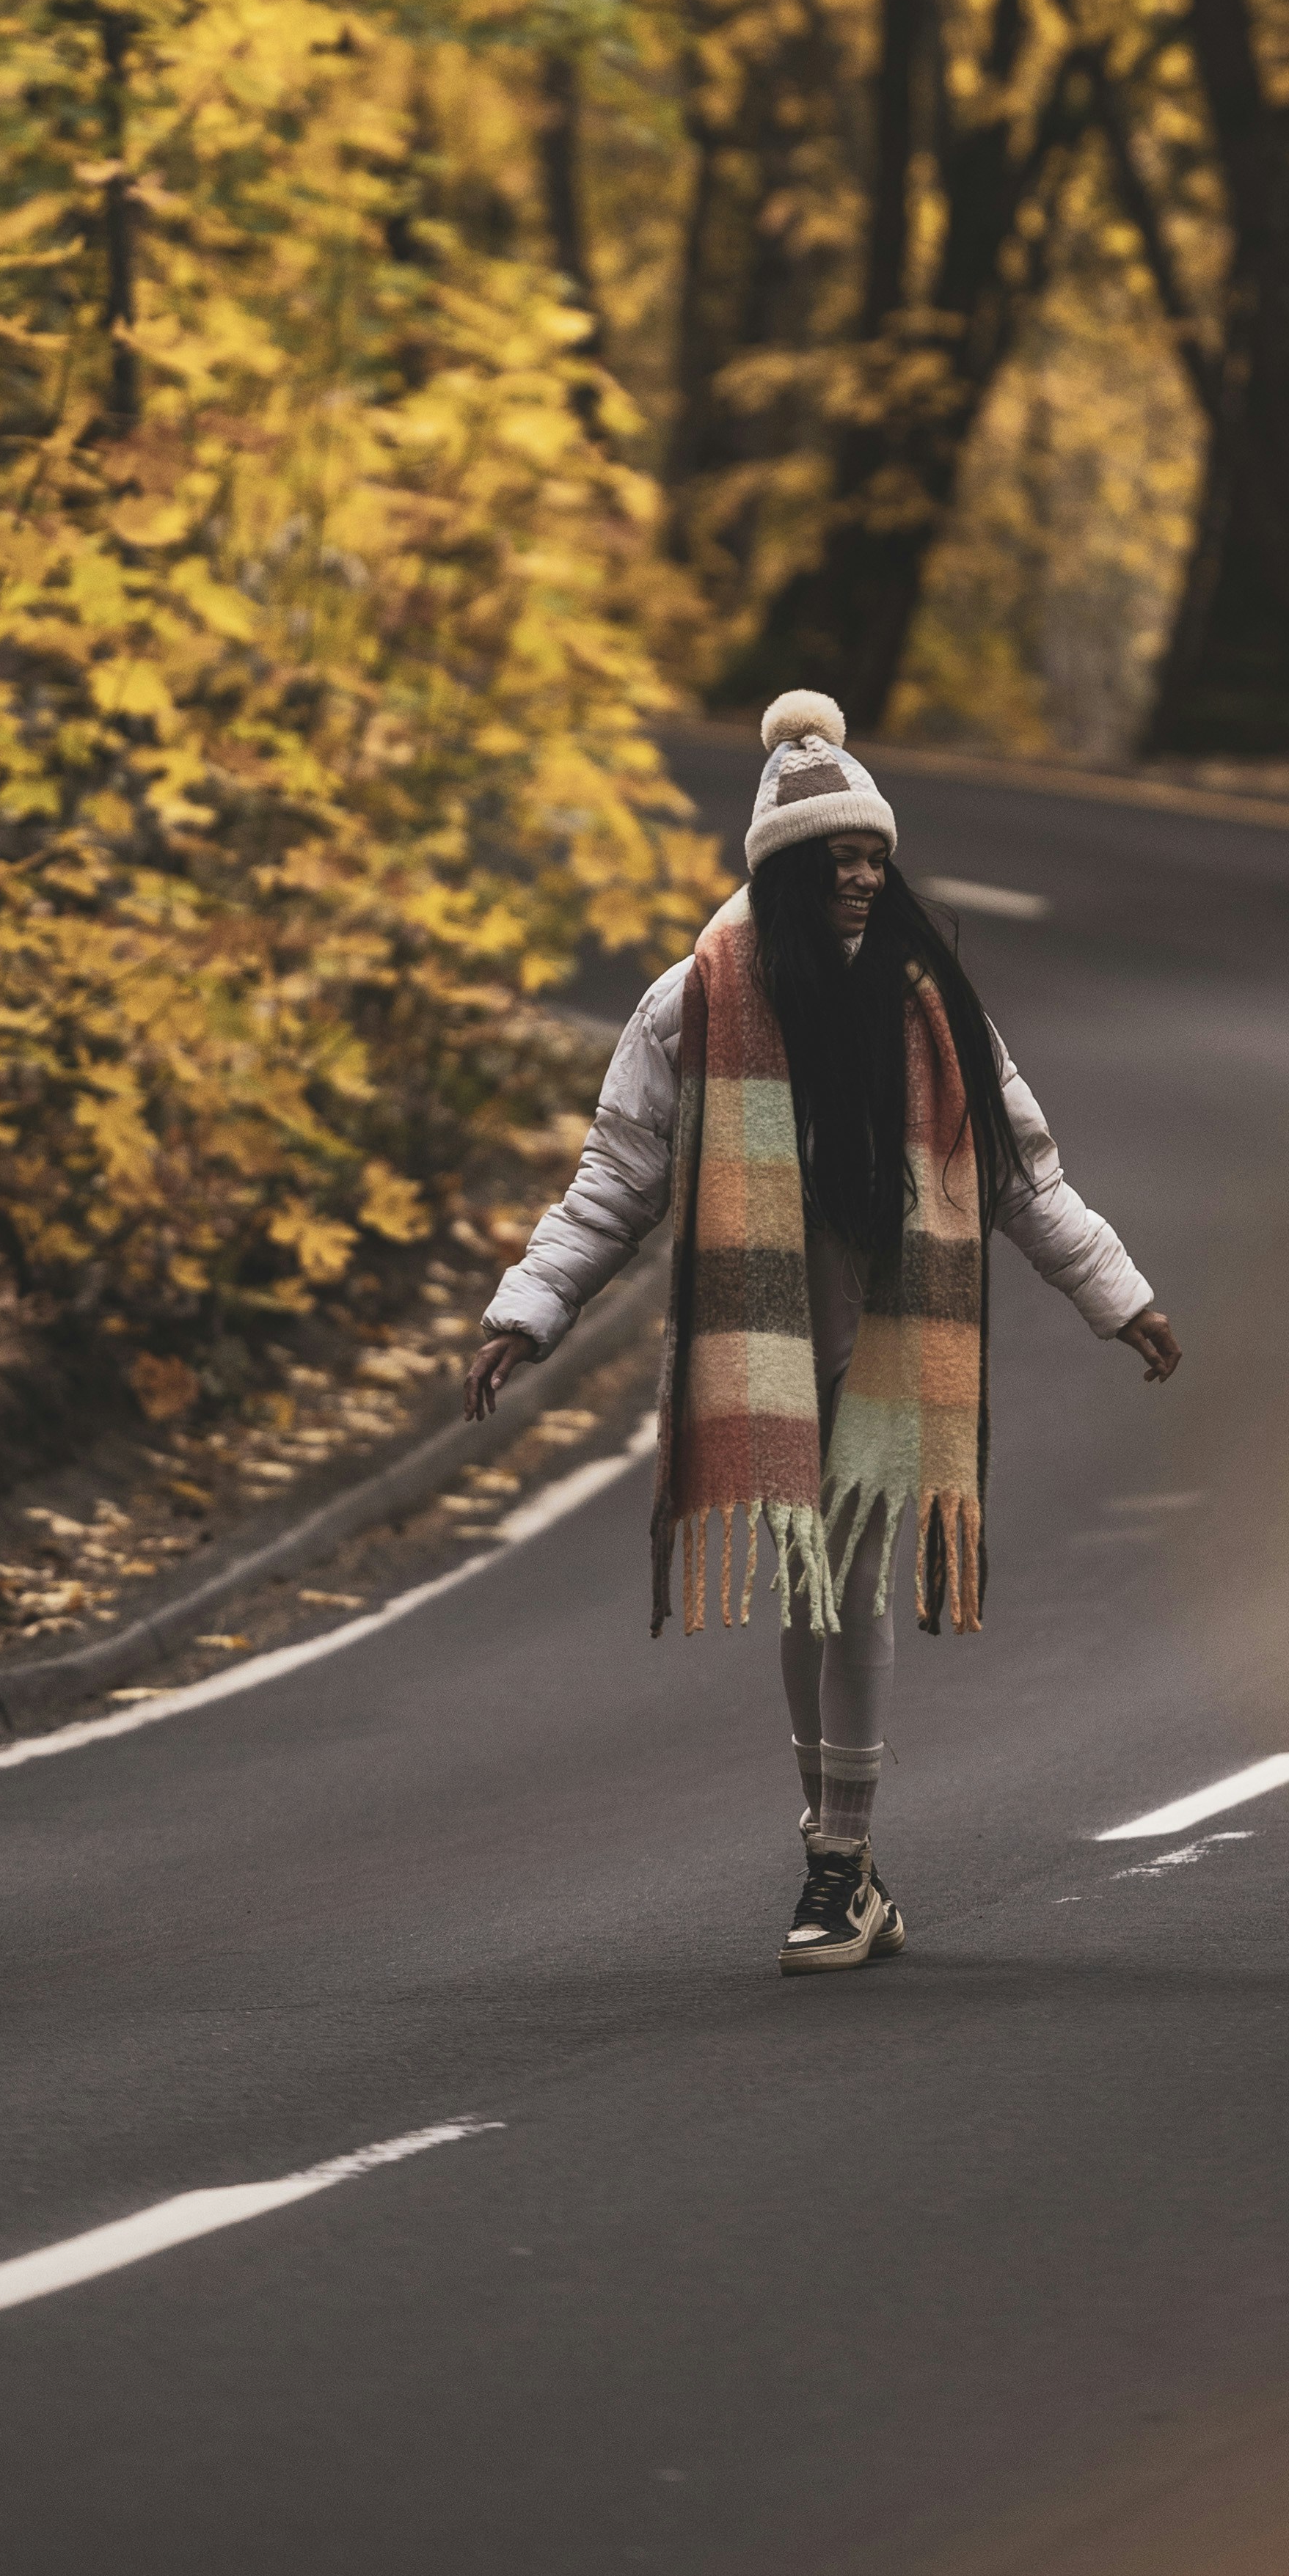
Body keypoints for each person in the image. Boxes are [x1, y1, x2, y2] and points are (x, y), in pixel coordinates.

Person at [464, 692, 1182, 1975]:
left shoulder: (931, 1003)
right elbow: (615, 1182)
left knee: (845, 1586)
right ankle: (840, 1855)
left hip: (895, 1336)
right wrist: (530, 1308)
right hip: (771, 1341)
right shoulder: (692, 1005)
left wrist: (1117, 1296)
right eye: (837, 861)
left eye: (873, 857)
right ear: (786, 876)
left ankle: (837, 1865)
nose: (862, 879)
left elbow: (1022, 1173)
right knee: (811, 1592)